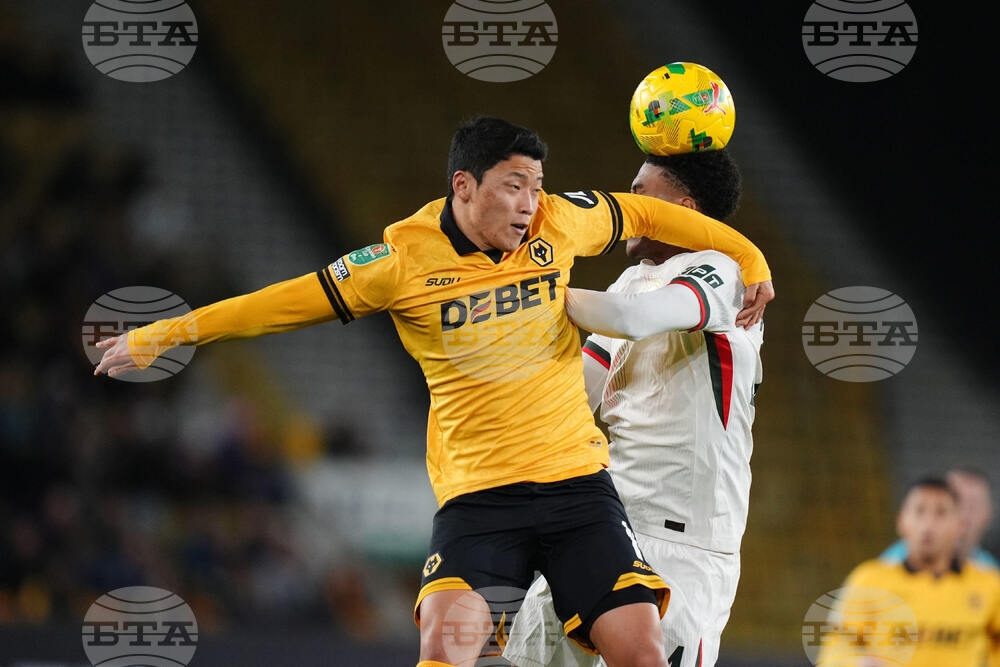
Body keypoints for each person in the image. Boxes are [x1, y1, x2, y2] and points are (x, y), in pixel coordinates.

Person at [94, 117, 774, 667]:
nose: (531, 204)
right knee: (445, 651)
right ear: (464, 186)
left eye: (537, 187)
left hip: (580, 492)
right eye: (514, 187)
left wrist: (751, 258)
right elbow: (280, 303)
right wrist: (168, 333)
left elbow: (668, 223)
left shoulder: (564, 223)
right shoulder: (400, 261)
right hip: (481, 499)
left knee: (639, 650)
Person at [503, 149, 761, 667]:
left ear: (684, 209)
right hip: (604, 526)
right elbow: (576, 391)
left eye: (641, 192)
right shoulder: (630, 281)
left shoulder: (723, 273)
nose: (627, 203)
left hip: (684, 545)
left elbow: (635, 319)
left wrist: (534, 288)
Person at [813, 477, 1000, 666]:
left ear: (960, 525)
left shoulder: (988, 584)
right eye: (919, 512)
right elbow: (835, 647)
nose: (928, 525)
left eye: (941, 513)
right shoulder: (869, 579)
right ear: (901, 521)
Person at [880, 466, 997, 570]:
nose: (963, 513)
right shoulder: (888, 567)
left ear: (988, 515)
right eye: (955, 501)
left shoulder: (991, 574)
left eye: (973, 506)